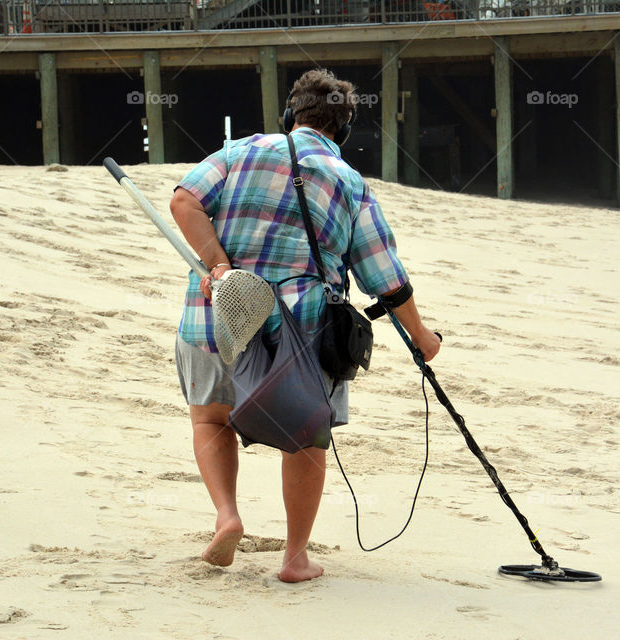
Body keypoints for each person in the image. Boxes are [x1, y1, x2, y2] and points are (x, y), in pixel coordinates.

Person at [169, 68, 440, 583]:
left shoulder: (240, 151)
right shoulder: (348, 182)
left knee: (211, 419)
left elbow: (184, 200)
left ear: (291, 114)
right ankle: (294, 558)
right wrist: (421, 337)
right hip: (301, 330)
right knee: (307, 437)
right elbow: (384, 276)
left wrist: (220, 266)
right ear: (342, 131)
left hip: (215, 317)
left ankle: (228, 516)